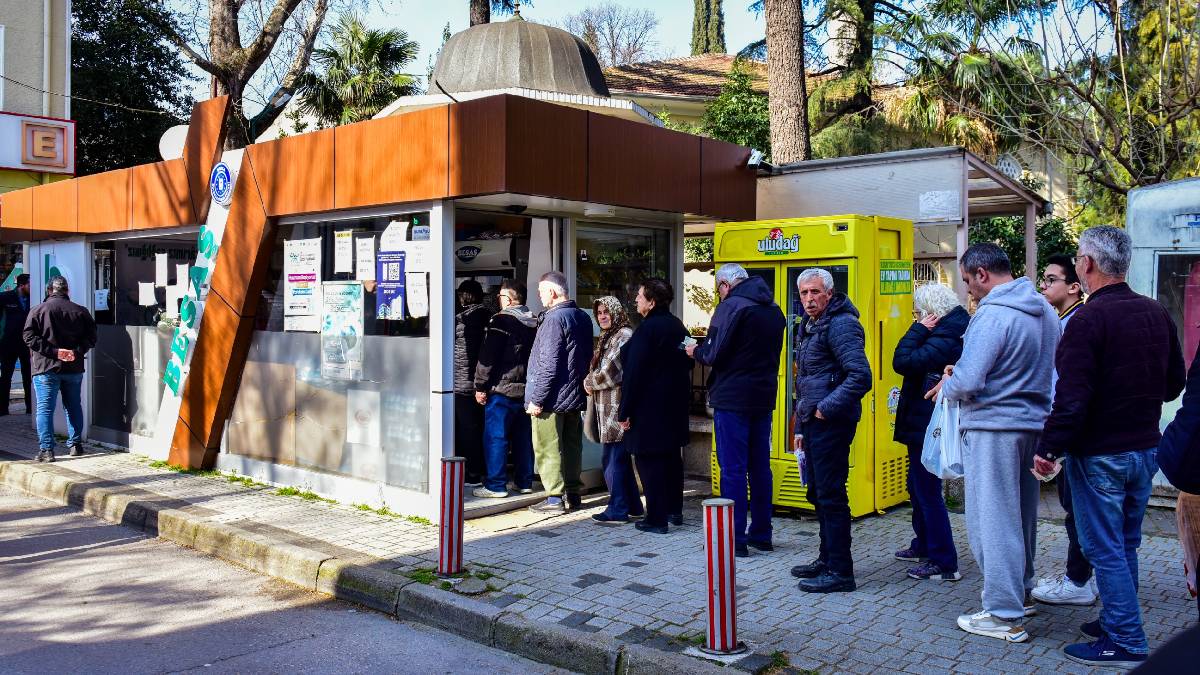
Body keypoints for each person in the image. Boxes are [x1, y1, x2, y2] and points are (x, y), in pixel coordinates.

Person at [1036, 226, 1186, 668]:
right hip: (1144, 450)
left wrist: (1049, 448)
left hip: (1100, 454)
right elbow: (1174, 383)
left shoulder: (1086, 321)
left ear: (1088, 265)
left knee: (1105, 548)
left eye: (1079, 257)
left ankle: (1125, 639)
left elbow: (1072, 397)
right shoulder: (1156, 312)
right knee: (1124, 545)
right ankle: (1116, 621)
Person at [928, 243, 1059, 643]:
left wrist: (950, 380)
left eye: (968, 281)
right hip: (1033, 425)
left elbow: (969, 381)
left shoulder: (992, 314)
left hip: (992, 429)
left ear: (982, 274)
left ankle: (1003, 614)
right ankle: (1020, 591)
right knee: (1021, 516)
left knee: (992, 520)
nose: (968, 291)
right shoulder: (1046, 312)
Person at [687, 263, 785, 557]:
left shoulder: (732, 306)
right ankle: (762, 534)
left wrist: (696, 351)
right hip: (763, 396)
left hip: (732, 398)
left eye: (718, 289)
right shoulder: (774, 309)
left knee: (732, 470)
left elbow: (714, 352)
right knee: (759, 468)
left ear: (726, 285)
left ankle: (735, 540)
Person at [788, 268, 872, 593]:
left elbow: (860, 377)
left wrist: (825, 408)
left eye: (815, 292)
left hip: (832, 422)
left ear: (829, 293)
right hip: (813, 421)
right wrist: (801, 420)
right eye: (804, 293)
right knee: (818, 493)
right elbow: (806, 380)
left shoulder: (841, 324)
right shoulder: (811, 325)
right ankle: (826, 559)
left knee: (831, 495)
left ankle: (841, 572)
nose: (809, 299)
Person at [1031, 254, 1097, 607]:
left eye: (1051, 279)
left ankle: (1078, 581)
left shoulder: (1075, 324)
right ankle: (1082, 576)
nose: (1043, 285)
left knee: (1077, 511)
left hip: (1075, 434)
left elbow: (1067, 389)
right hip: (1075, 430)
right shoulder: (1063, 321)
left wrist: (1053, 442)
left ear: (1074, 286)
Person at [891, 282, 968, 582]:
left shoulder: (944, 334)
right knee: (917, 486)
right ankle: (923, 543)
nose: (917, 316)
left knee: (926, 491)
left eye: (920, 311)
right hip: (922, 421)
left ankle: (943, 560)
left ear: (932, 312)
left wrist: (918, 329)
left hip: (927, 422)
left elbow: (903, 361)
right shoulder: (952, 329)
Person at [618, 278, 691, 534]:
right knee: (671, 458)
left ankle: (656, 519)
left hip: (649, 408)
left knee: (649, 461)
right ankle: (674, 510)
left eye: (639, 295)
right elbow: (690, 358)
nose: (636, 300)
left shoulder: (647, 329)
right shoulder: (677, 326)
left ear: (651, 301)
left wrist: (624, 410)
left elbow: (634, 373)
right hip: (675, 405)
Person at [525, 271, 593, 515]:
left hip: (552, 398)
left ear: (552, 292)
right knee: (573, 447)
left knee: (547, 447)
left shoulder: (554, 319)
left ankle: (554, 498)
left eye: (542, 292)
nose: (540, 297)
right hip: (574, 395)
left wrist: (537, 399)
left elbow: (549, 364)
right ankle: (573, 495)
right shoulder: (582, 317)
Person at [472, 280, 537, 499]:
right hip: (526, 389)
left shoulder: (500, 321)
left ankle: (496, 485)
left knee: (496, 437)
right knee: (522, 438)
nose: (498, 300)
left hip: (502, 389)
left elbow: (487, 357)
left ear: (508, 299)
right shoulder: (534, 321)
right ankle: (524, 481)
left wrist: (480, 385)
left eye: (500, 296)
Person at [23, 276, 96, 462]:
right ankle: (76, 445)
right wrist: (76, 352)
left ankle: (47, 451)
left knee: (45, 409)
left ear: (49, 291)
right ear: (67, 291)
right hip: (73, 368)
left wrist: (55, 352)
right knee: (73, 406)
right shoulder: (81, 311)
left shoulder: (38, 310)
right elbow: (92, 337)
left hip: (46, 368)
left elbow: (28, 337)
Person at [583, 296, 643, 523]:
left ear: (617, 312)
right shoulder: (610, 335)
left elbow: (610, 372)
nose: (602, 316)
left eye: (606, 312)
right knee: (620, 459)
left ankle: (617, 509)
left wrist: (588, 382)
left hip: (616, 406)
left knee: (613, 459)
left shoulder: (624, 335)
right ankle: (634, 507)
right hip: (607, 406)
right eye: (599, 313)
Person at [454, 279, 491, 485]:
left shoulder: (462, 321)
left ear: (463, 296)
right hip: (481, 383)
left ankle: (472, 471)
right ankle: (482, 469)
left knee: (466, 428)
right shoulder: (488, 316)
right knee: (480, 427)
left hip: (462, 383)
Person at [0, 273, 32, 416]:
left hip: (27, 344)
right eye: (30, 285)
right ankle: (2, 409)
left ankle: (30, 408)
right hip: (8, 343)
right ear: (21, 285)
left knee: (28, 376)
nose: (32, 287)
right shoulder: (5, 297)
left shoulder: (33, 298)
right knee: (6, 376)